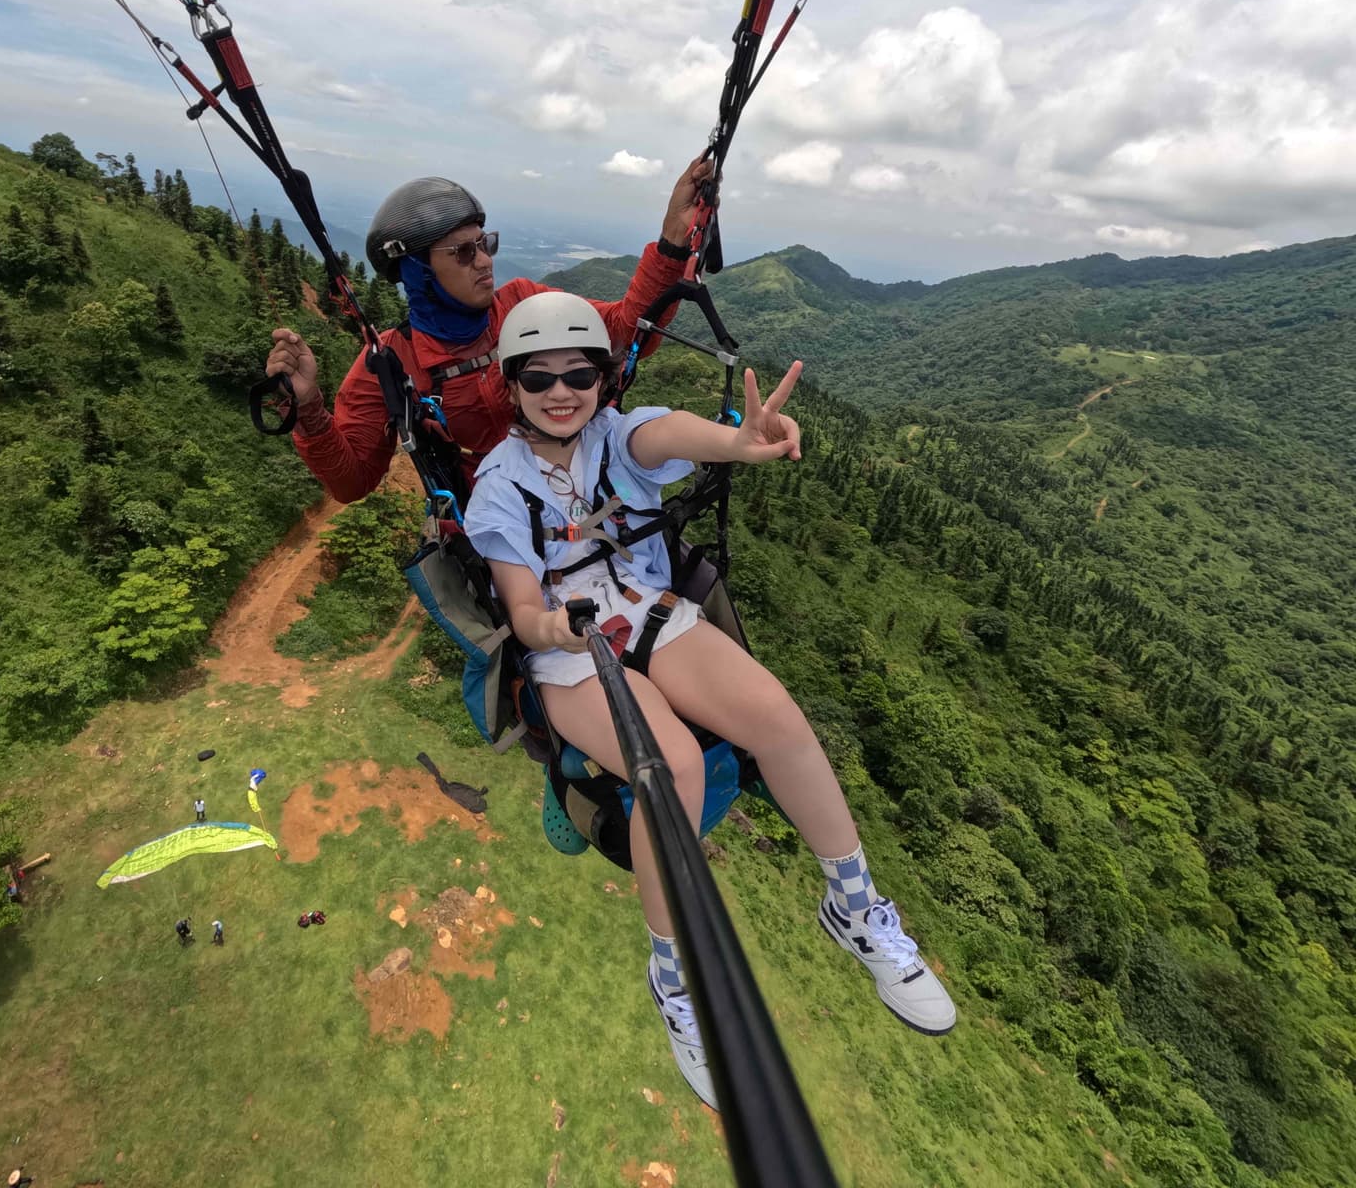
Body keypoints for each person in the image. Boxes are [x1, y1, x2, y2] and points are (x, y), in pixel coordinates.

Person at [461, 292, 957, 1109]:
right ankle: (675, 978)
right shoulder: (498, 488)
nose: (561, 392)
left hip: (646, 611)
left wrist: (737, 442)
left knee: (778, 719)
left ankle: (856, 905)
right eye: (539, 377)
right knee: (672, 768)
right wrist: (554, 628)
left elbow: (668, 434)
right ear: (512, 385)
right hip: (568, 655)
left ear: (602, 379)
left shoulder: (618, 438)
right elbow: (519, 607)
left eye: (579, 374)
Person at [265, 158, 714, 503]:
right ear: (417, 269)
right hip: (498, 524)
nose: (484, 261)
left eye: (485, 244)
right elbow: (352, 482)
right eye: (463, 252)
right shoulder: (390, 362)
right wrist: (309, 410)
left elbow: (627, 333)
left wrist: (672, 240)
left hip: (588, 489)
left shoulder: (522, 304)